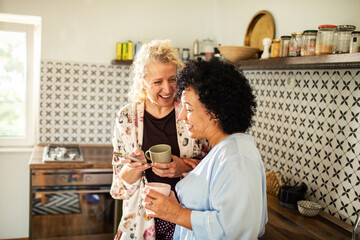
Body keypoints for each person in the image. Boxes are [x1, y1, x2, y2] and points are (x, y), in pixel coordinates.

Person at [143, 59, 268, 239]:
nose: (181, 116)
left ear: (215, 112)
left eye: (188, 108)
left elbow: (235, 230)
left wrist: (175, 213)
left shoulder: (237, 159)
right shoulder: (224, 149)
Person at [110, 40, 210, 240]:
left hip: (186, 216)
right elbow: (119, 188)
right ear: (142, 81)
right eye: (158, 82)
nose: (168, 89)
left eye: (173, 79)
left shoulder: (192, 110)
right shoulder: (127, 118)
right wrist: (131, 171)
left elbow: (214, 169)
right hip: (141, 220)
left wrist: (184, 168)